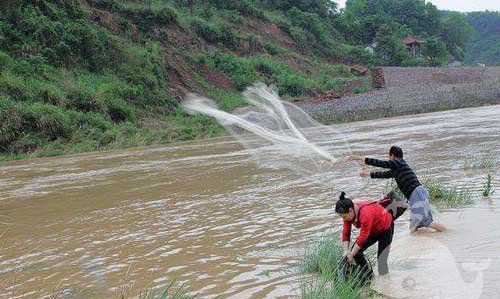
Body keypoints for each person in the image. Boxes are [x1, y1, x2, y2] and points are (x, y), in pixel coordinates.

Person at [347, 146, 446, 233]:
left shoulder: (398, 163)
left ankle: (449, 234)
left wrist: (358, 158)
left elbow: (380, 163)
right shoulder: (397, 167)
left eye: (389, 157)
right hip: (416, 195)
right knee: (414, 227)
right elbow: (383, 174)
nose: (389, 159)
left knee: (427, 223)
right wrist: (367, 174)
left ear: (392, 156)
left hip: (416, 194)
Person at [336, 192, 394, 283]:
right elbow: (346, 232)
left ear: (351, 210)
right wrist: (346, 251)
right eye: (341, 217)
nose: (343, 219)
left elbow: (363, 236)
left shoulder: (365, 212)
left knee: (381, 260)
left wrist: (351, 255)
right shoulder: (347, 213)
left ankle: (386, 285)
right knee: (357, 253)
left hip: (385, 228)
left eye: (344, 216)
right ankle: (368, 277)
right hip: (371, 230)